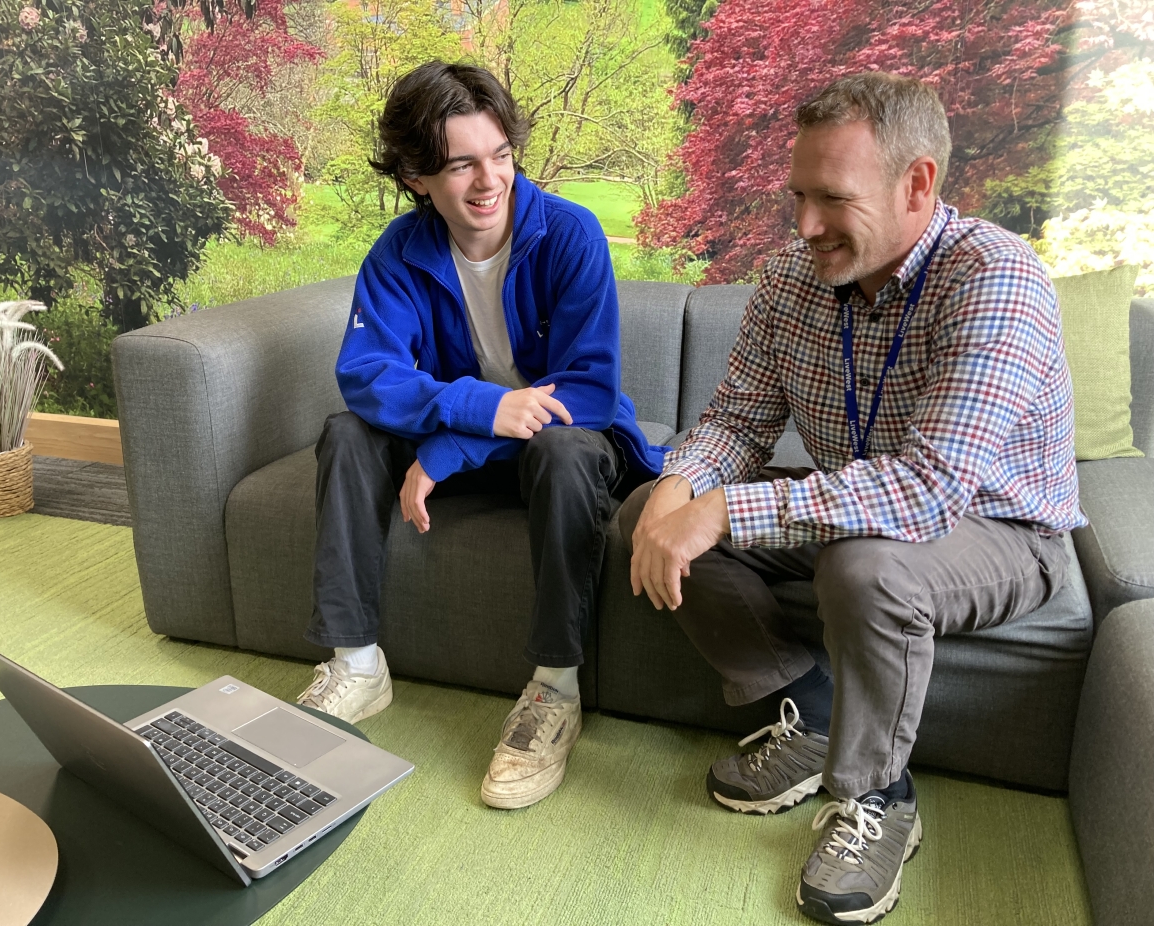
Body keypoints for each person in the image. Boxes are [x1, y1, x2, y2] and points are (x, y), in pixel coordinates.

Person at [622, 72, 1085, 924]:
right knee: (642, 512)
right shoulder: (791, 282)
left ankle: (878, 798)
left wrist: (723, 509)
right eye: (797, 196)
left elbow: (928, 489)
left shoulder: (996, 277)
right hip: (851, 506)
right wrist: (681, 486)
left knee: (864, 567)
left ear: (917, 184)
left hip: (997, 528)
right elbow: (736, 420)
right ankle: (806, 710)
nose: (804, 227)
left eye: (831, 198)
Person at [298, 61, 667, 811]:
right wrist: (477, 408)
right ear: (414, 175)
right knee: (345, 434)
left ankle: (554, 690)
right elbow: (366, 376)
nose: (487, 179)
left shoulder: (569, 234)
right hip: (473, 429)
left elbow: (587, 391)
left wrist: (451, 445)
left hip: (558, 446)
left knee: (563, 450)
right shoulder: (397, 253)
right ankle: (356, 663)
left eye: (498, 154)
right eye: (460, 163)